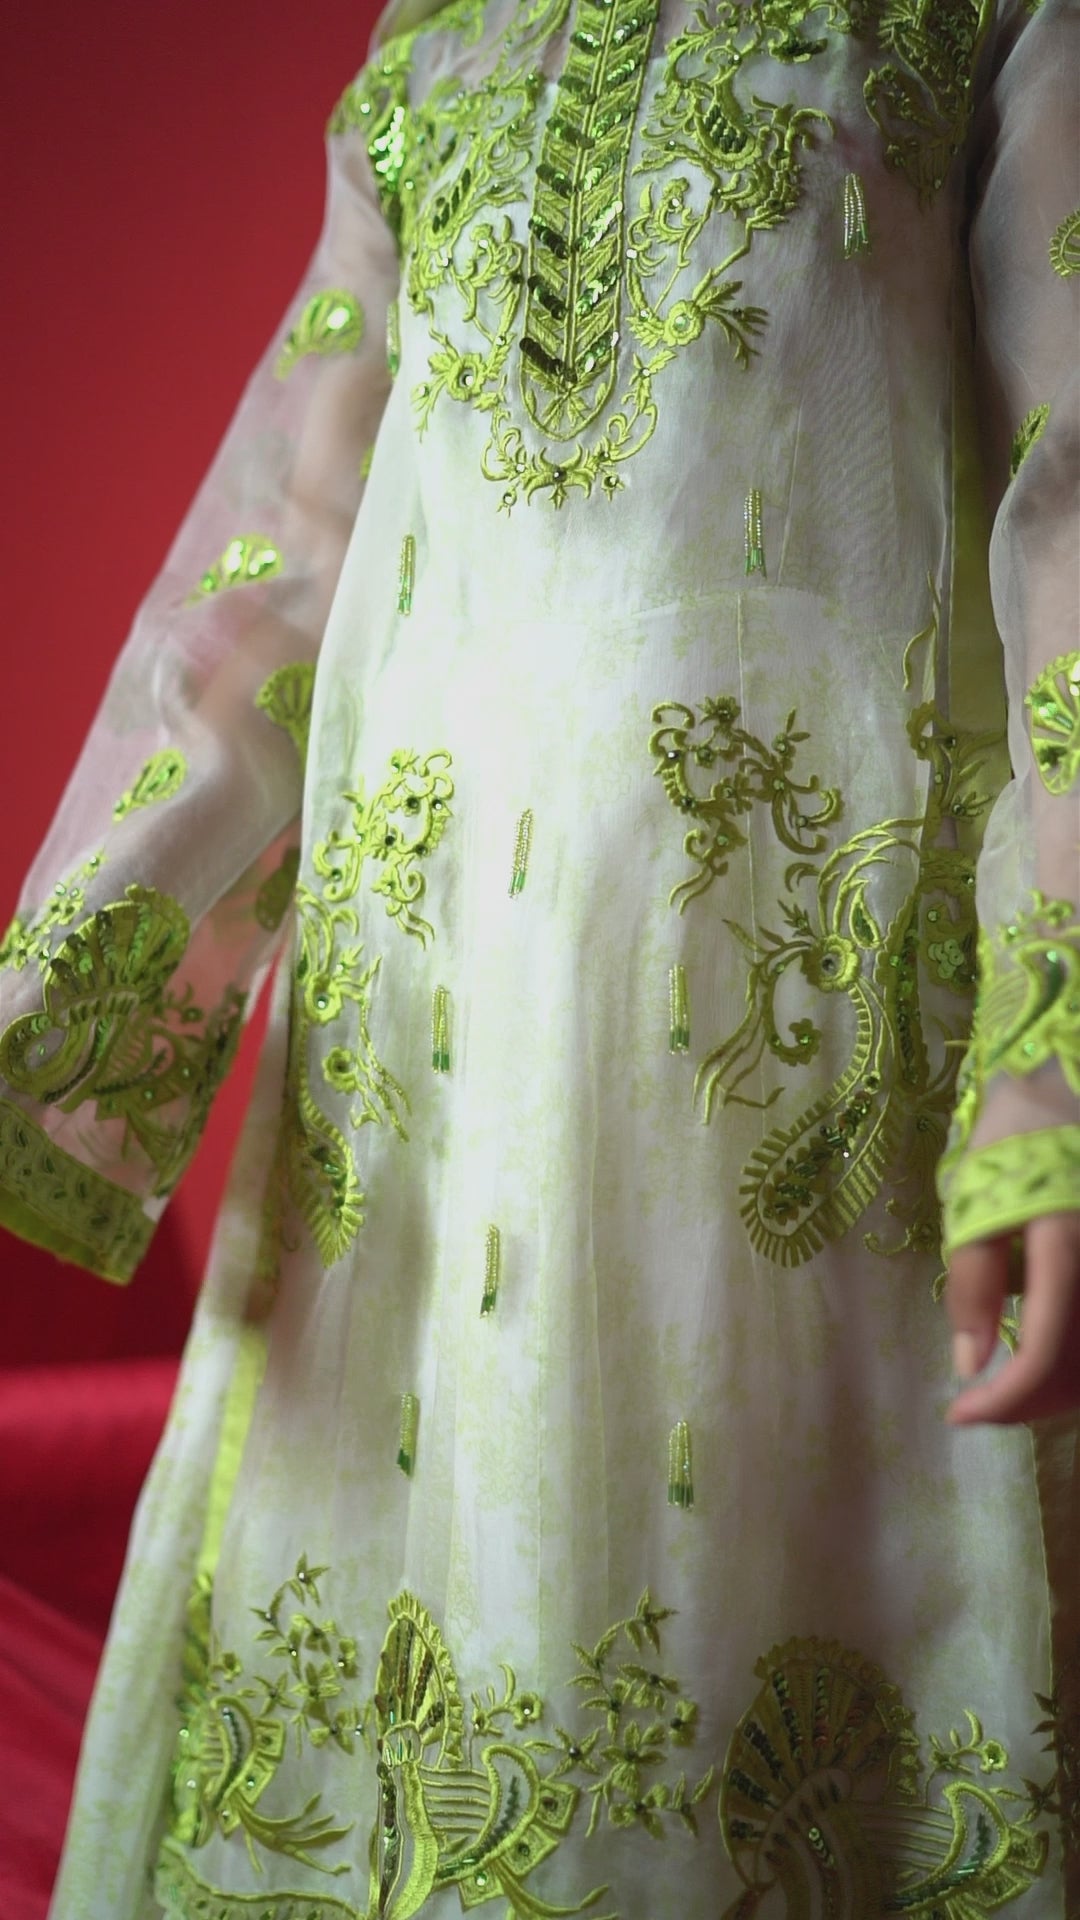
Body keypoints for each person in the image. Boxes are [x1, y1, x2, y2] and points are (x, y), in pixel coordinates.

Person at [1, 0, 1077, 1912]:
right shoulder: (438, 45)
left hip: (793, 1027)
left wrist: (1048, 1051)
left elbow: (1071, 514)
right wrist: (63, 999)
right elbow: (289, 561)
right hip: (433, 1047)